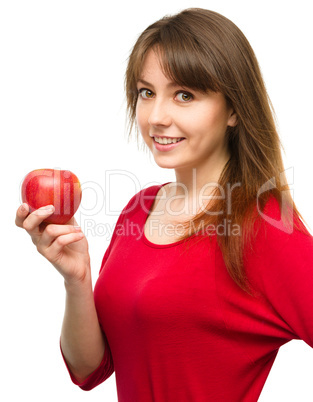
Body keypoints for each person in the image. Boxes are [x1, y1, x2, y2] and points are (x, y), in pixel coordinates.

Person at [15, 8, 313, 402]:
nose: (156, 116)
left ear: (235, 110)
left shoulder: (266, 223)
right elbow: (89, 370)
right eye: (146, 92)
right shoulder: (139, 209)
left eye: (184, 95)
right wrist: (77, 279)